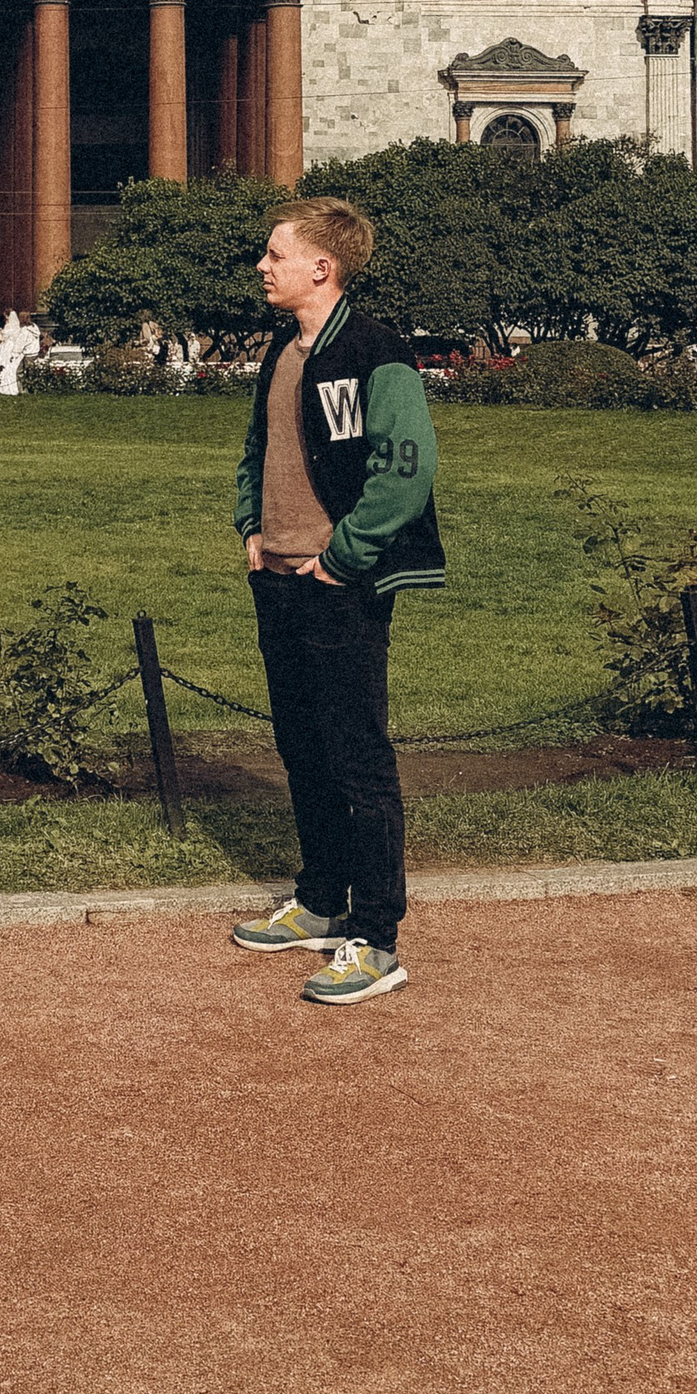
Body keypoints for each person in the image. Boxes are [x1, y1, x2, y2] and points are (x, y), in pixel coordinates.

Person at [229, 195, 443, 1007]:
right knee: (301, 747)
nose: (263, 264)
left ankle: (376, 936)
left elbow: (406, 471)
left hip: (337, 584)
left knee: (358, 757)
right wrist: (252, 524)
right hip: (277, 579)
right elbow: (257, 449)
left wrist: (342, 557)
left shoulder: (375, 351)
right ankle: (320, 900)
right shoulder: (284, 351)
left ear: (322, 265)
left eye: (274, 253)